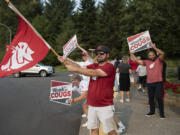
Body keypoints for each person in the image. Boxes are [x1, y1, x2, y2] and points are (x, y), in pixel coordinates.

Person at [58, 45, 117, 135]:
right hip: (92, 105)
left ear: (108, 55)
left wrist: (75, 69)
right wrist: (65, 60)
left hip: (105, 106)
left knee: (110, 131)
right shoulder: (94, 65)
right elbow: (79, 66)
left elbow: (93, 72)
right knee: (93, 130)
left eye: (102, 53)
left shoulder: (109, 66)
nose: (99, 55)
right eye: (97, 53)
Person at [130, 43, 166, 119]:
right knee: (151, 98)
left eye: (152, 55)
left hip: (158, 82)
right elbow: (137, 60)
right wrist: (131, 53)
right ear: (148, 56)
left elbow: (162, 53)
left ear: (155, 55)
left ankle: (162, 114)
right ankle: (152, 112)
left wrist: (155, 47)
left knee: (159, 97)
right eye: (150, 55)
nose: (151, 56)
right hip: (149, 83)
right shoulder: (146, 62)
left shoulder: (159, 60)